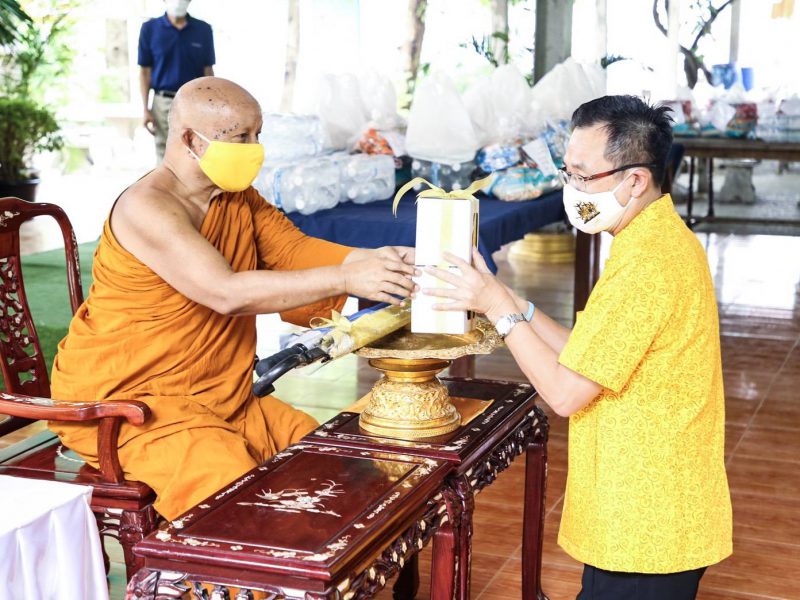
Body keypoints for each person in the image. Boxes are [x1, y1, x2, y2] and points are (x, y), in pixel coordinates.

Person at [49, 77, 418, 520]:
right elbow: (224, 292)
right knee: (235, 495)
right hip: (132, 407)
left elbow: (294, 251)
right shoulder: (146, 207)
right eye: (240, 137)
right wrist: (347, 277)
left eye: (257, 134)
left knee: (330, 463)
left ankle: (312, 580)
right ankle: (222, 587)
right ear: (190, 139)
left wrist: (382, 259)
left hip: (223, 394)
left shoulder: (236, 197)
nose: (253, 148)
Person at [424, 95, 732, 600]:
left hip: (648, 522)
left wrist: (498, 308)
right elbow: (588, 351)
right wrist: (513, 304)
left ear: (635, 180)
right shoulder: (650, 239)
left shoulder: (648, 265)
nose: (572, 189)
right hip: (648, 503)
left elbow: (566, 393)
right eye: (567, 173)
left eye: (584, 176)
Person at [139, 0, 215, 163]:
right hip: (162, 102)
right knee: (165, 155)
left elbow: (208, 72)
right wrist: (146, 109)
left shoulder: (203, 30)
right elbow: (145, 72)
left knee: (193, 153)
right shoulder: (150, 29)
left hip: (194, 103)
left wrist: (211, 107)